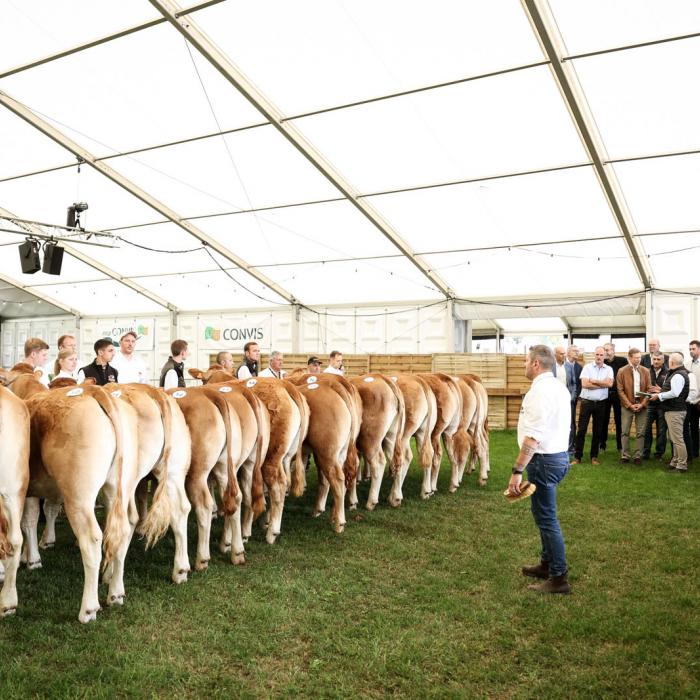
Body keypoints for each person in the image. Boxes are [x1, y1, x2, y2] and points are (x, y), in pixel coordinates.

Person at [507, 345, 572, 595]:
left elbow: (533, 438)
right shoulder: (557, 386)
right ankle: (546, 564)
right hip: (557, 457)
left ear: (536, 364)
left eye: (525, 361)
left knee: (547, 518)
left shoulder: (540, 392)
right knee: (542, 514)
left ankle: (558, 577)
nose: (523, 365)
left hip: (543, 460)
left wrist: (517, 470)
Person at [648, 352, 689, 472]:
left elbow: (675, 393)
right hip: (673, 410)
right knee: (673, 438)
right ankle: (675, 461)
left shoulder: (677, 375)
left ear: (671, 362)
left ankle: (682, 465)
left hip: (675, 410)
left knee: (677, 439)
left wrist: (659, 396)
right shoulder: (678, 373)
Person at [572, 346, 613, 465]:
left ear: (604, 356)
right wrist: (602, 384)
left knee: (597, 431)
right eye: (597, 355)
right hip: (586, 403)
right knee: (582, 430)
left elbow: (610, 384)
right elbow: (585, 384)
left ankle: (594, 457)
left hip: (601, 404)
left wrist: (594, 381)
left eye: (601, 355)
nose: (599, 357)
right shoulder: (587, 367)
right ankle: (577, 457)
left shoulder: (609, 369)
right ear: (594, 355)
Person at [616, 348, 651, 464]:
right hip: (627, 405)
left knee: (640, 432)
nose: (638, 360)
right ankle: (625, 455)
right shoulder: (622, 371)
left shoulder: (646, 371)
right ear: (629, 358)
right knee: (625, 431)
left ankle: (638, 456)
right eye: (636, 358)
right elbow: (620, 390)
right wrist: (629, 405)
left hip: (642, 405)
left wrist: (642, 404)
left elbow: (649, 389)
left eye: (639, 357)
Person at [642, 352, 669, 460]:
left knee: (661, 430)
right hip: (650, 404)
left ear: (663, 361)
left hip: (663, 405)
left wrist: (660, 390)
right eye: (655, 359)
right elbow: (643, 386)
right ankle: (645, 452)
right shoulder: (647, 371)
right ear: (652, 360)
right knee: (646, 429)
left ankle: (659, 454)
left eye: (659, 359)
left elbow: (671, 389)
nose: (656, 361)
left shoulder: (668, 372)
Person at [601, 343, 626, 453]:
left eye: (608, 350)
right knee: (603, 420)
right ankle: (602, 445)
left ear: (613, 351)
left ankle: (620, 446)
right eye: (604, 350)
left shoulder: (622, 361)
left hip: (618, 394)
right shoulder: (602, 362)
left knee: (619, 420)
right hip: (604, 394)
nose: (606, 352)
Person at [564, 345, 582, 457]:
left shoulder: (579, 368)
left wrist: (574, 397)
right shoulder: (561, 366)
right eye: (575, 351)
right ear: (568, 352)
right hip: (560, 400)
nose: (577, 353)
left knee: (571, 424)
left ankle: (571, 448)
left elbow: (579, 385)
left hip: (572, 400)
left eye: (578, 351)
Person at [685, 340, 700, 461]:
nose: (691, 351)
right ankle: (695, 451)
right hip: (691, 402)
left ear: (699, 349)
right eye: (690, 349)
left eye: (693, 349)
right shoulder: (687, 364)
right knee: (693, 427)